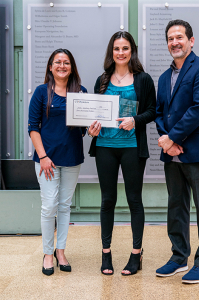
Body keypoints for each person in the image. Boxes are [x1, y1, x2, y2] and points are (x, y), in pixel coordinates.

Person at [155, 20, 199, 284]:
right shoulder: (163, 77)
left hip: (198, 150)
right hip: (172, 154)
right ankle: (179, 257)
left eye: (179, 37)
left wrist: (172, 137)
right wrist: (168, 141)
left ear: (191, 41)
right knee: (176, 205)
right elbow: (160, 113)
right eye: (170, 38)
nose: (175, 42)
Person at [28, 48, 101, 276]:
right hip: (46, 160)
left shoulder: (81, 92)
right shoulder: (41, 92)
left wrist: (91, 131)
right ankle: (47, 253)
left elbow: (81, 131)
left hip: (71, 158)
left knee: (64, 206)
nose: (62, 65)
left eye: (66, 62)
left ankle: (61, 251)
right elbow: (33, 128)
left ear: (72, 67)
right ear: (50, 67)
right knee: (49, 206)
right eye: (57, 62)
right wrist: (43, 156)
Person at [89, 31, 156, 276]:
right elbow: (95, 113)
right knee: (107, 201)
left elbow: (152, 111)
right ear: (111, 52)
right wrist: (92, 127)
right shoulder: (102, 80)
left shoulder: (143, 79)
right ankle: (106, 254)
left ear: (132, 51)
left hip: (132, 148)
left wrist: (135, 120)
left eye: (125, 48)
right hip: (106, 146)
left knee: (134, 200)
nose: (120, 53)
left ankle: (136, 254)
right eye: (116, 48)